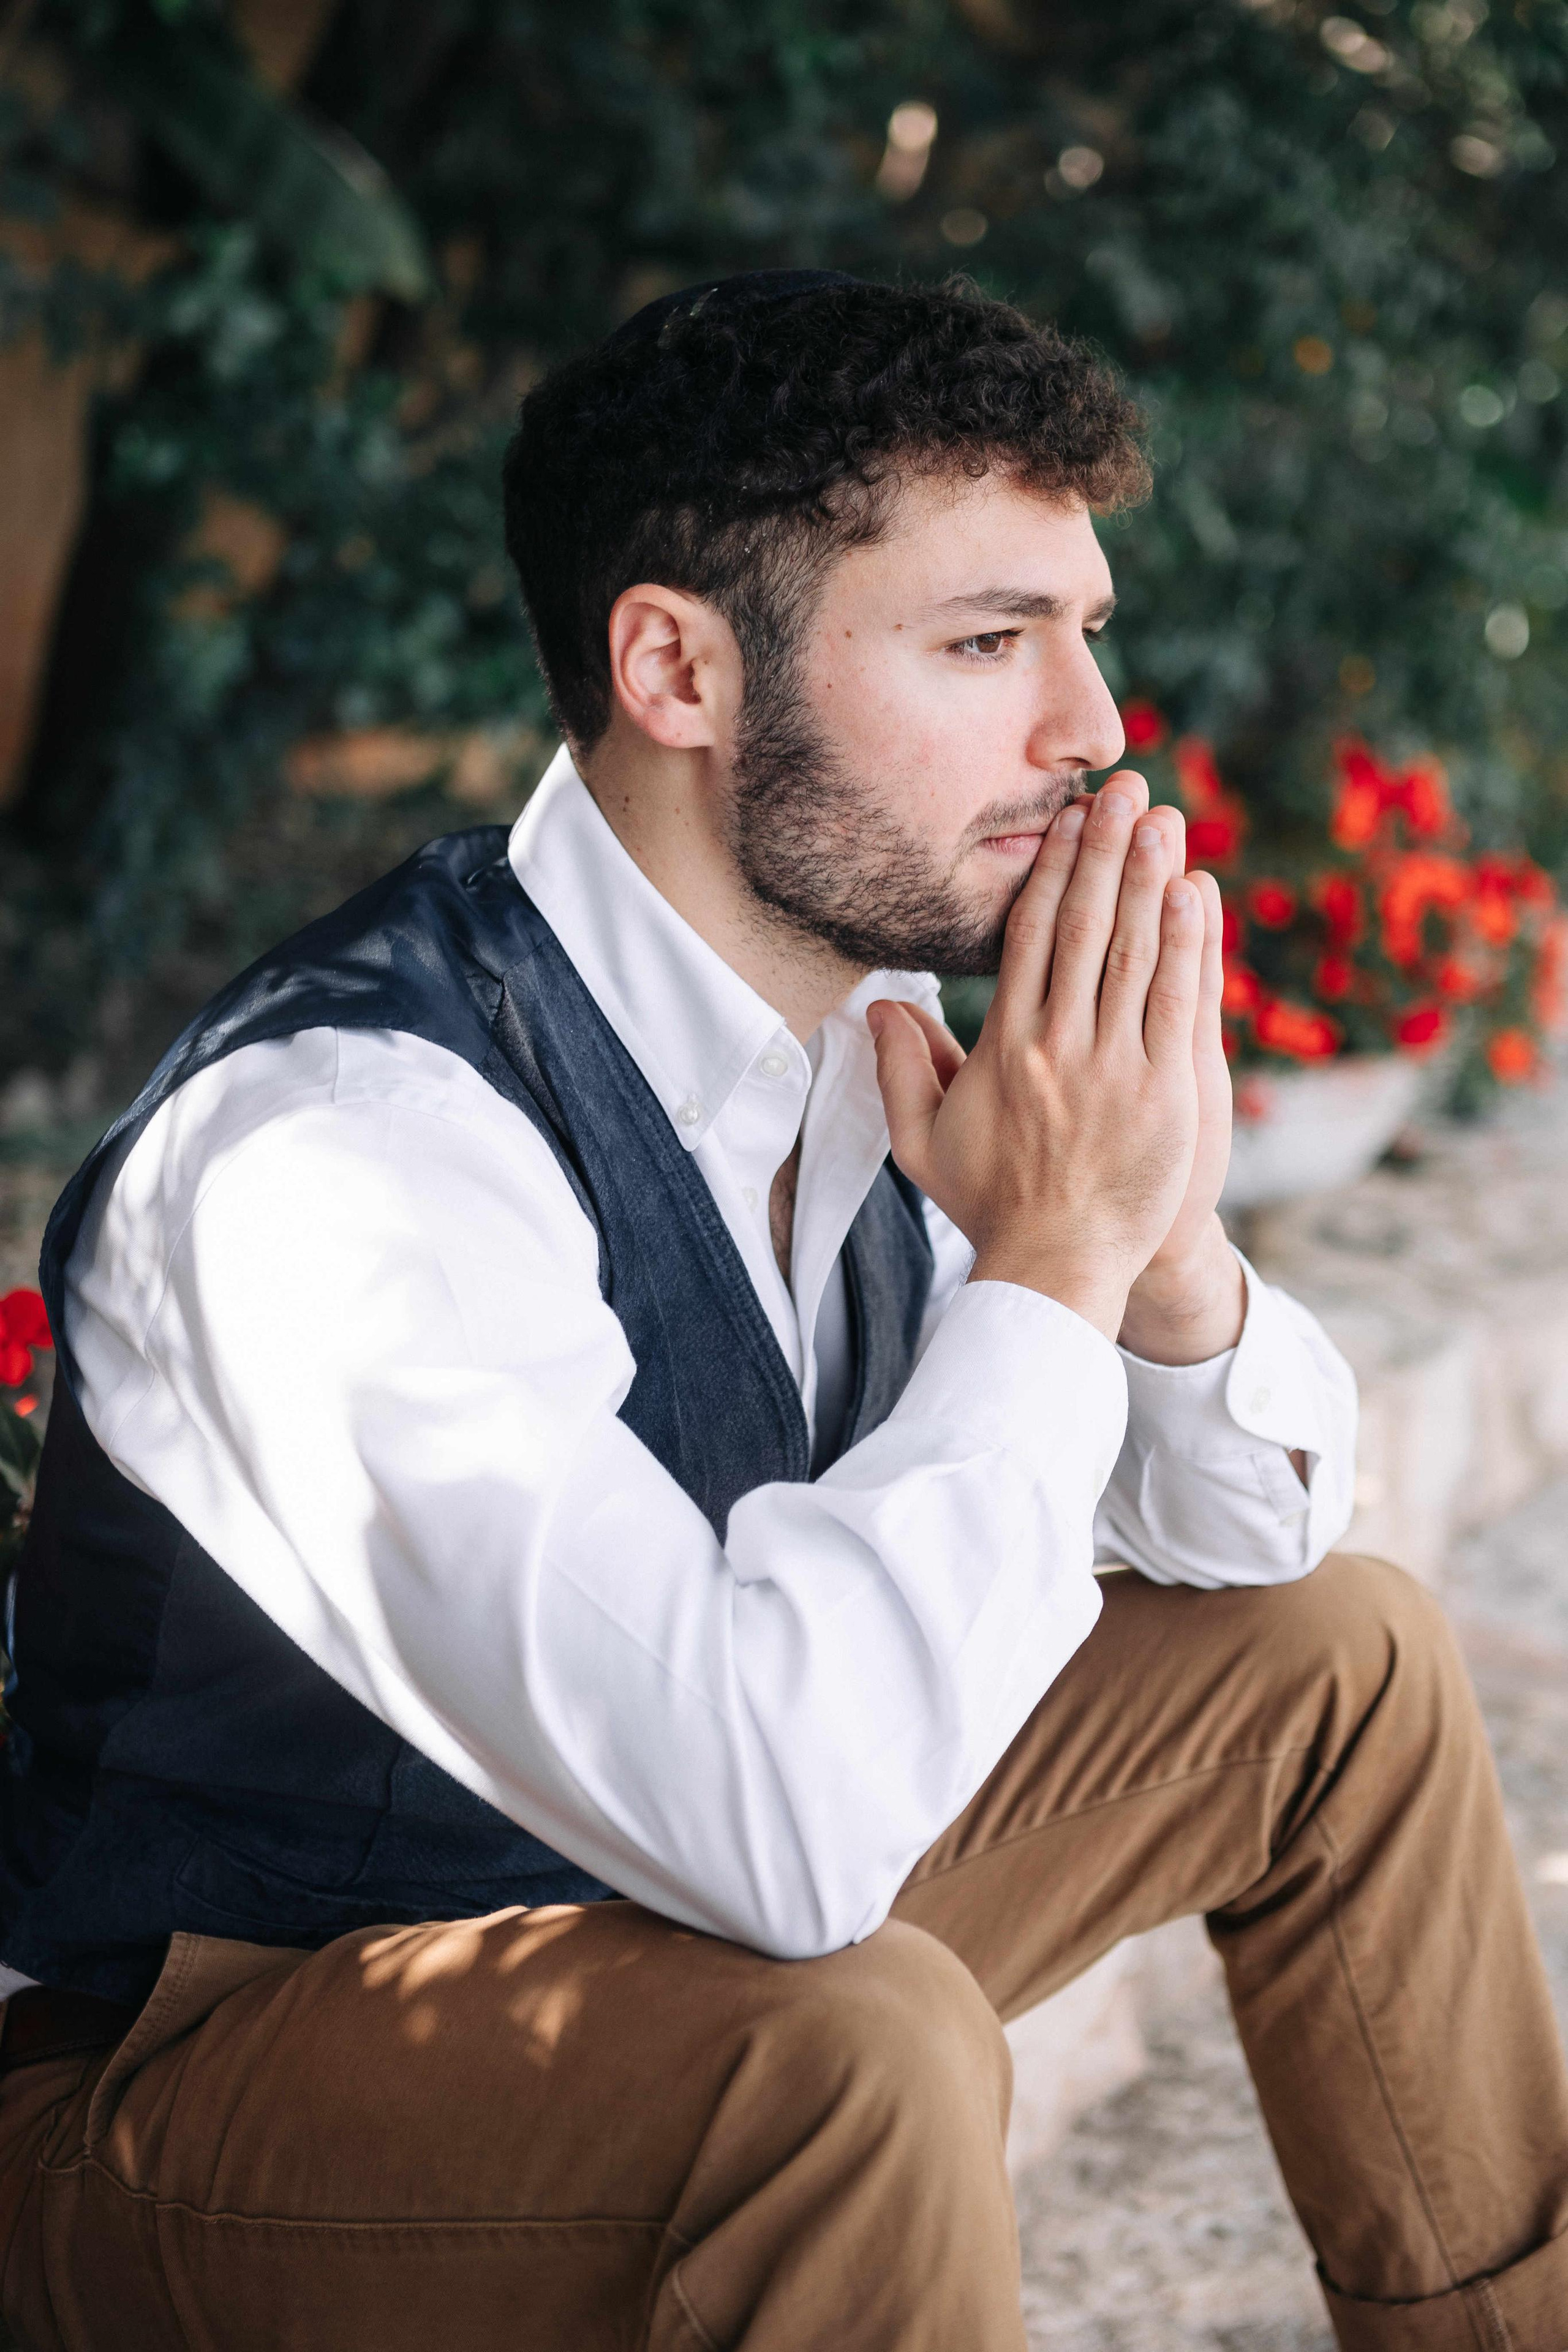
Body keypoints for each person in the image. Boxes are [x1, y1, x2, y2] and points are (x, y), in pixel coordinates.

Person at [0, 271, 1561, 2352]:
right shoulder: (346, 1149)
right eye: (987, 641)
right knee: (850, 2047)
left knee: (1334, 1657)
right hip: (197, 2085)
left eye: (1083, 633)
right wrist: (1049, 1265)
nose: (1092, 729)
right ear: (677, 668)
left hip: (662, 1904)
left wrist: (1155, 1230)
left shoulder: (864, 1033)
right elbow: (797, 1848)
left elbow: (1252, 1532)